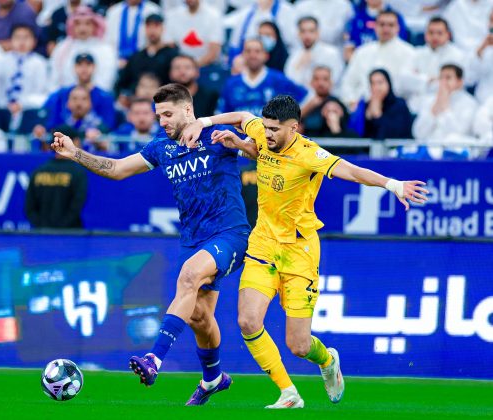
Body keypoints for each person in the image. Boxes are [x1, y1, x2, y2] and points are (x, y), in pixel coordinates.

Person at [181, 95, 428, 409]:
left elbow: (351, 171)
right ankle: (288, 393)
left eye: (274, 130)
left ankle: (326, 360)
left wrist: (393, 185)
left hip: (299, 251)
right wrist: (210, 126)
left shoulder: (309, 154)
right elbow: (243, 116)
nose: (267, 134)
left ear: (293, 128)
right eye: (266, 128)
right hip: (263, 245)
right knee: (247, 321)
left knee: (298, 345)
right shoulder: (261, 134)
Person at [50, 83, 251, 405]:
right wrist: (75, 154)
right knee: (200, 317)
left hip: (231, 233)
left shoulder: (218, 137)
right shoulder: (161, 147)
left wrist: (220, 129)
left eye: (168, 114)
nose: (163, 122)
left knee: (188, 277)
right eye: (160, 116)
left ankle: (153, 359)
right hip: (192, 239)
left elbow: (254, 130)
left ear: (188, 110)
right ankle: (214, 378)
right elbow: (116, 169)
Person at [340, 10, 415, 110]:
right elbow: (348, 82)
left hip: (394, 109)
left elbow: (408, 87)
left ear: (397, 28)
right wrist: (351, 101)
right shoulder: (362, 52)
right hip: (362, 108)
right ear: (375, 26)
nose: (386, 29)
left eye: (390, 25)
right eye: (382, 24)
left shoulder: (409, 53)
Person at [218, 38, 307, 115]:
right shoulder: (231, 83)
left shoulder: (278, 79)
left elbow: (306, 97)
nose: (252, 55)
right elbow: (221, 114)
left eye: (257, 51)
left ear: (266, 55)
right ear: (243, 55)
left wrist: (293, 122)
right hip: (239, 133)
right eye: (248, 51)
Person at [37, 53, 116, 136]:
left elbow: (109, 125)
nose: (84, 69)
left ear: (94, 67)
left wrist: (98, 133)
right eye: (80, 65)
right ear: (74, 67)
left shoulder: (105, 96)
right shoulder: (61, 94)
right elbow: (47, 117)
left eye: (88, 65)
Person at [411, 64, 479, 159]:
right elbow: (418, 133)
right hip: (428, 154)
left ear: (460, 82)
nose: (443, 82)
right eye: (441, 78)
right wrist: (434, 110)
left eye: (448, 78)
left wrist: (446, 108)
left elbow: (460, 133)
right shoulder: (429, 100)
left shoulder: (469, 103)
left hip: (456, 154)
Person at [25, 127, 88, 229]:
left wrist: (42, 227)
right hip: (71, 236)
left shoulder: (39, 171)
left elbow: (29, 207)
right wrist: (61, 228)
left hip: (42, 234)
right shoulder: (77, 172)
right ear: (73, 142)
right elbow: (77, 205)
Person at [0, 24, 49, 132]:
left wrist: (22, 103)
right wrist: (6, 105)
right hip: (3, 111)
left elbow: (43, 94)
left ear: (34, 41)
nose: (22, 42)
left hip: (29, 111)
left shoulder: (40, 63)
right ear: (10, 40)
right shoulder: (1, 61)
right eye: (18, 37)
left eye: (26, 38)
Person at [406, 16, 466, 113]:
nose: (435, 37)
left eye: (439, 33)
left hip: (445, 106)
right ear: (425, 34)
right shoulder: (416, 53)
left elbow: (452, 85)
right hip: (415, 105)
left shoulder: (457, 56)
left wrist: (419, 78)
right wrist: (429, 80)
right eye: (431, 33)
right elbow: (405, 82)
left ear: (448, 35)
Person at [49, 7, 117, 91]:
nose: (82, 28)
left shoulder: (106, 50)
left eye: (87, 23)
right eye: (78, 24)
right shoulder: (62, 48)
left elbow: (107, 81)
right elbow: (54, 80)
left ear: (95, 25)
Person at [117, 14, 178, 96]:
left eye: (156, 26)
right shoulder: (136, 57)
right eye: (148, 26)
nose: (152, 30)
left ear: (163, 29)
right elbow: (124, 83)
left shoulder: (172, 55)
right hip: (137, 102)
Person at [349, 69, 413, 139]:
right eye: (373, 83)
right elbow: (358, 134)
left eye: (380, 82)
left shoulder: (399, 105)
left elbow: (396, 133)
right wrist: (367, 117)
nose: (377, 87)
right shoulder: (367, 106)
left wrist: (378, 115)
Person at [284, 16, 343, 88]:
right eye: (303, 31)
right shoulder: (294, 56)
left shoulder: (331, 53)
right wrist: (300, 65)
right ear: (298, 34)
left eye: (311, 31)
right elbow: (289, 82)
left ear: (318, 33)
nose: (307, 35)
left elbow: (335, 80)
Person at [300, 66, 357, 139]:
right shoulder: (306, 104)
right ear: (311, 82)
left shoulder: (335, 103)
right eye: (316, 79)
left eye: (325, 79)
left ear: (331, 82)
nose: (320, 83)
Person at [165, 0, 223, 67]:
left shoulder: (214, 15)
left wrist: (192, 67)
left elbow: (214, 51)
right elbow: (169, 45)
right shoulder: (172, 15)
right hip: (179, 67)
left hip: (206, 67)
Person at [105, 0, 162, 66]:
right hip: (117, 62)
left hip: (144, 62)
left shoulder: (154, 10)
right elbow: (108, 42)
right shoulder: (113, 12)